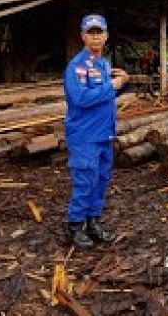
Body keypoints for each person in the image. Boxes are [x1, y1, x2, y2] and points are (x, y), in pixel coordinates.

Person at [63, 14, 129, 248]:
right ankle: (73, 227)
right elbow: (80, 98)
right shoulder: (77, 67)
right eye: (90, 32)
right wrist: (112, 86)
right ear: (82, 36)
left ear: (106, 36)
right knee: (85, 180)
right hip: (84, 135)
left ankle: (92, 222)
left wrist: (122, 84)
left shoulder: (104, 64)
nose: (95, 37)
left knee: (100, 180)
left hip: (104, 134)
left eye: (99, 32)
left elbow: (105, 96)